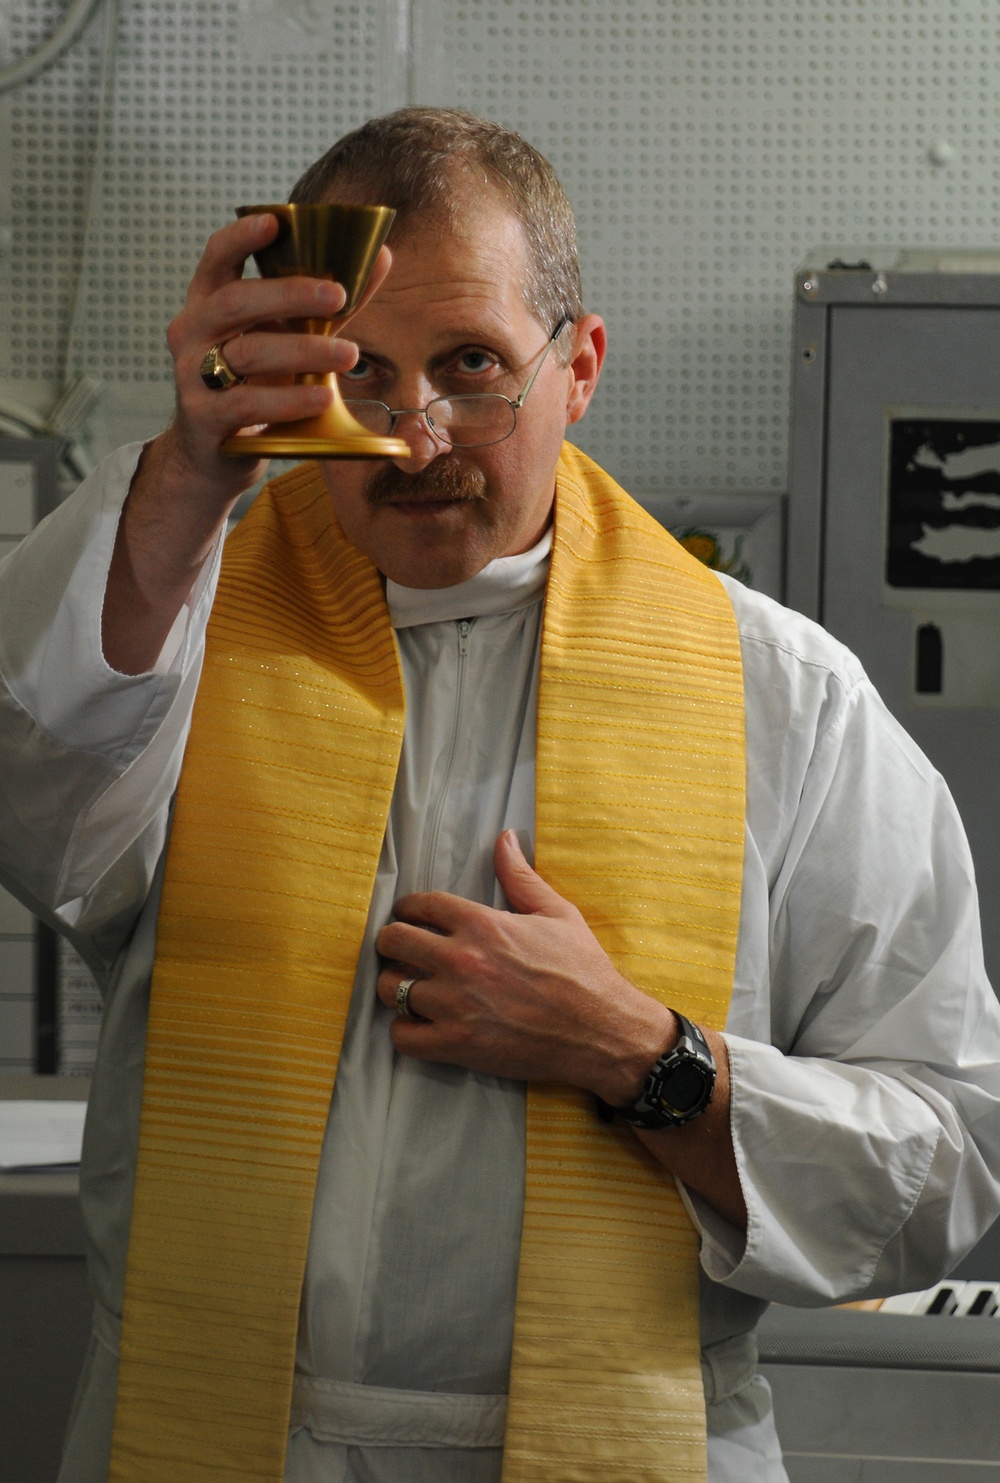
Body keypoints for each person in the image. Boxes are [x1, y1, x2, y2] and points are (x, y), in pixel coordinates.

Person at [1, 107, 1000, 1483]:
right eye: (359, 373)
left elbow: (951, 1160)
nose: (414, 442)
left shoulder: (782, 696)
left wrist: (646, 1061)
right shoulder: (167, 626)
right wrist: (184, 483)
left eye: (471, 367)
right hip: (222, 1432)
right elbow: (34, 804)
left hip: (620, 1437)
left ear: (577, 364)